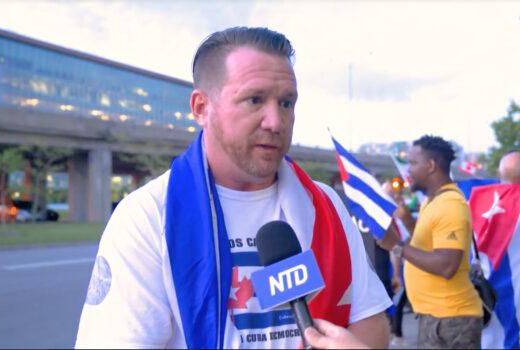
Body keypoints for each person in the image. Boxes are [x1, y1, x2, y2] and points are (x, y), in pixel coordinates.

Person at [74, 27, 391, 349]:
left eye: (286, 103)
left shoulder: (325, 204)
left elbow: (371, 321)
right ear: (201, 108)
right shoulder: (149, 215)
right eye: (255, 100)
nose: (275, 121)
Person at [392, 135, 483, 349]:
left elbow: (447, 265)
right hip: (434, 315)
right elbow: (428, 244)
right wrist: (407, 220)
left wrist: (397, 246)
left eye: (413, 163)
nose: (408, 171)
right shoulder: (431, 201)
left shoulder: (450, 204)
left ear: (431, 165)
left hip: (452, 320)